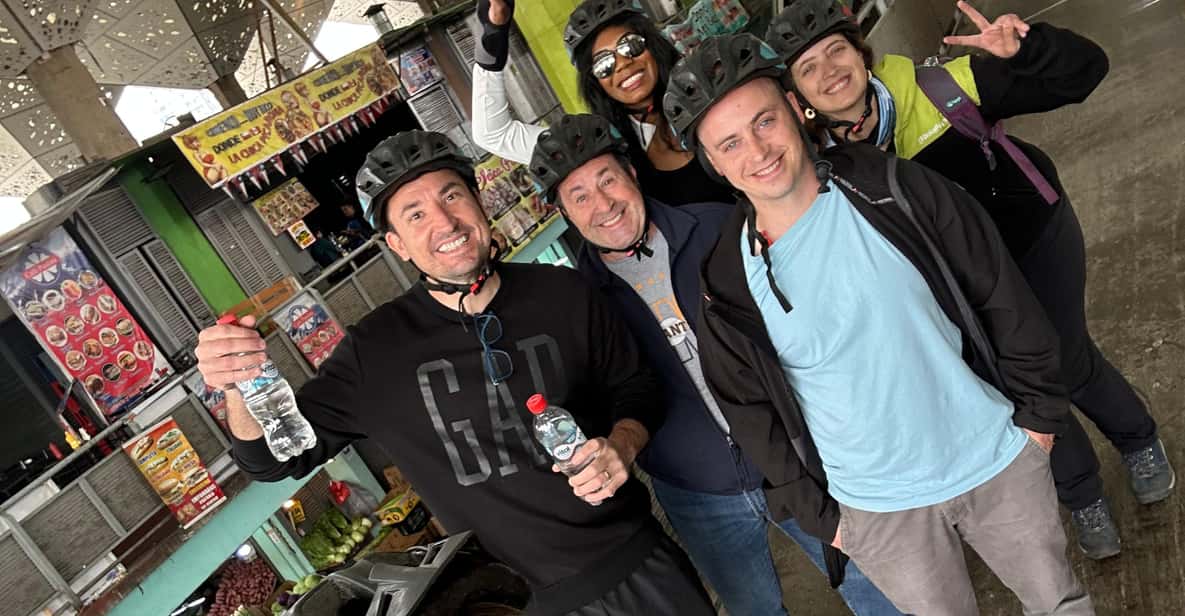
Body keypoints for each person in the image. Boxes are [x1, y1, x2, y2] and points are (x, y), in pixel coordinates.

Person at [194, 130, 715, 616]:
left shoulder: (564, 292)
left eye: (452, 196)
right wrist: (236, 385)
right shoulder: (375, 352)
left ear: (479, 202)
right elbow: (270, 460)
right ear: (397, 244)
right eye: (415, 214)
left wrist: (622, 445)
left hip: (641, 566)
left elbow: (637, 386)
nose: (444, 223)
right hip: (517, 604)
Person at [664, 33, 1094, 614]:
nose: (758, 151)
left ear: (794, 109)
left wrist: (1038, 419)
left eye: (764, 121)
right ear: (714, 162)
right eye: (730, 143)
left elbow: (999, 290)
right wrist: (824, 519)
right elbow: (749, 409)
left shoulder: (892, 187)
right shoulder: (726, 280)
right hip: (878, 512)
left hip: (995, 460)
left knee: (1059, 604)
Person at [765, 0, 1174, 559]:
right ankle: (1082, 494)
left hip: (1032, 239)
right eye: (808, 67)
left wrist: (1028, 50)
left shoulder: (941, 87)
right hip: (961, 287)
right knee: (1016, 390)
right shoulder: (818, 164)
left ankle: (1138, 440)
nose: (829, 71)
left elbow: (1085, 72)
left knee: (1065, 361)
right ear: (796, 96)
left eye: (836, 50)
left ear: (861, 53)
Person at [527, 112, 900, 615]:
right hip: (696, 490)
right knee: (754, 610)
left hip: (794, 455)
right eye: (580, 196)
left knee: (874, 585)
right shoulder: (580, 300)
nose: (604, 204)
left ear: (632, 174)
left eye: (608, 180)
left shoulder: (718, 226)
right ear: (565, 214)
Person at [471, 0, 734, 206]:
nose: (622, 64)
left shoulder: (710, 95)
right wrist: (493, 33)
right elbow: (492, 134)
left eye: (630, 46)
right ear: (595, 82)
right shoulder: (596, 143)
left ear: (653, 48)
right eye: (604, 64)